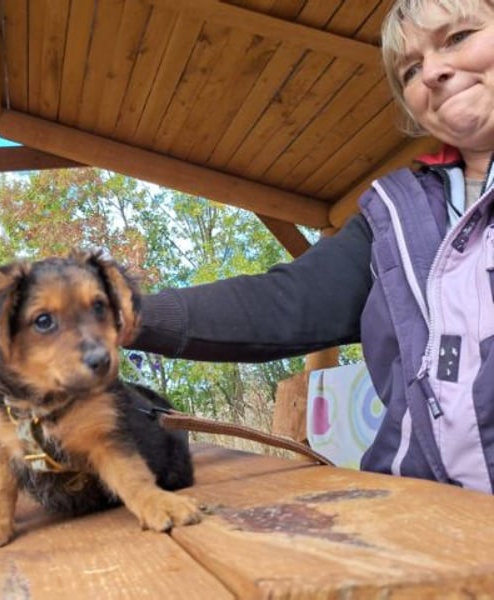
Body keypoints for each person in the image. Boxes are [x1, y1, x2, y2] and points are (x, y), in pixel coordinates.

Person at [127, 0, 494, 494]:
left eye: (457, 38)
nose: (431, 72)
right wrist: (117, 315)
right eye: (410, 70)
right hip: (416, 506)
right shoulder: (394, 216)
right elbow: (283, 303)